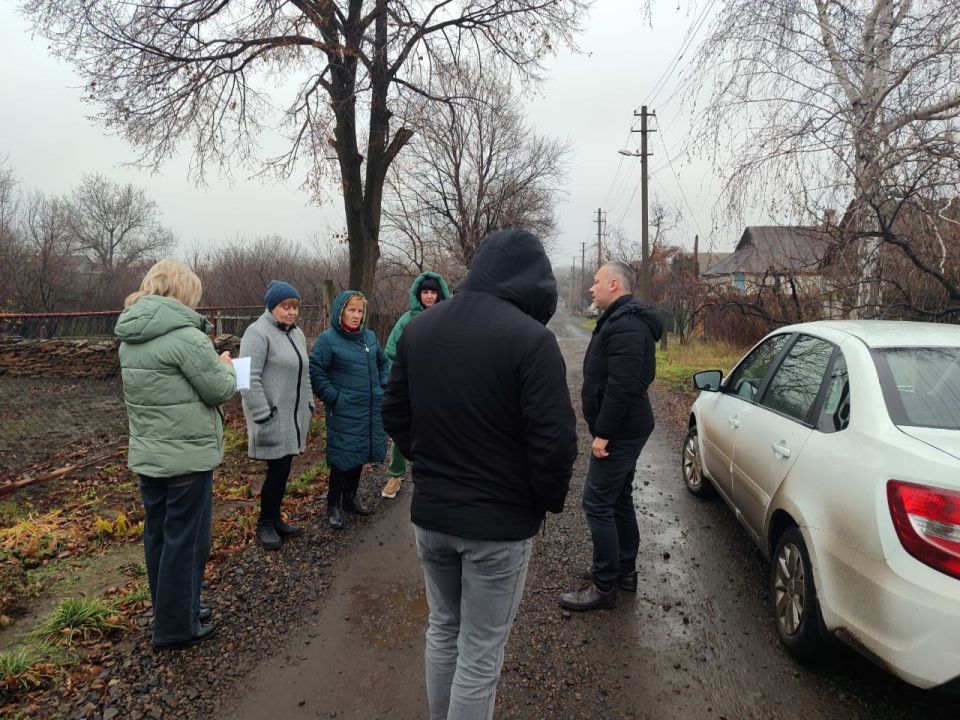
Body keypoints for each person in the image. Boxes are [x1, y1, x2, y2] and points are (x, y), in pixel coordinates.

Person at [382, 228, 577, 720]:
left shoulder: (420, 329)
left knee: (444, 630)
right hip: (499, 527)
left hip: (432, 517)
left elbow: (395, 412)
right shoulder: (533, 341)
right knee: (480, 652)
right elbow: (554, 444)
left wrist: (426, 465)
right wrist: (541, 502)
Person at [115, 258, 236, 649]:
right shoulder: (187, 337)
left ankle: (175, 609)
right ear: (183, 293)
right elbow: (218, 390)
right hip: (187, 456)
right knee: (187, 541)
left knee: (159, 537)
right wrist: (226, 366)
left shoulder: (130, 336)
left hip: (149, 455)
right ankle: (175, 627)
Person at [559, 260, 663, 612]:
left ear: (614, 284)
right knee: (617, 498)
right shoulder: (622, 319)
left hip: (621, 430)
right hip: (628, 426)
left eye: (596, 281)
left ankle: (604, 585)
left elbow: (622, 385)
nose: (591, 287)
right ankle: (624, 570)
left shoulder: (628, 324)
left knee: (596, 502)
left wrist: (603, 433)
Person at [239, 280, 314, 550]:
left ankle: (275, 518)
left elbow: (305, 372)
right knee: (277, 470)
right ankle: (265, 524)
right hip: (272, 417)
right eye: (286, 306)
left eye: (295, 307)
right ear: (272, 307)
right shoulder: (256, 333)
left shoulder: (297, 334)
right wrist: (262, 414)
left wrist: (309, 403)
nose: (292, 312)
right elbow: (245, 378)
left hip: (294, 417)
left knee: (283, 470)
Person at [309, 291, 388, 529]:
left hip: (368, 409)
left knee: (359, 454)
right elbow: (316, 372)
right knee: (343, 457)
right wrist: (335, 397)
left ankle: (350, 498)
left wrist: (382, 385)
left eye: (360, 311)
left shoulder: (369, 338)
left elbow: (383, 363)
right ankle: (333, 504)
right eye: (351, 310)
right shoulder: (328, 340)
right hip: (344, 410)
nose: (356, 315)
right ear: (340, 312)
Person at [381, 272, 450, 499]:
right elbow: (391, 352)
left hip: (441, 388)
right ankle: (396, 475)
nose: (429, 296)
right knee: (404, 428)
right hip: (412, 387)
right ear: (418, 294)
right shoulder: (407, 320)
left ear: (440, 294)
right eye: (425, 292)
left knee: (441, 430)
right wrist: (398, 381)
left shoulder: (448, 318)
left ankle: (437, 474)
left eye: (433, 292)